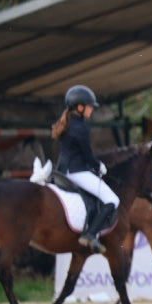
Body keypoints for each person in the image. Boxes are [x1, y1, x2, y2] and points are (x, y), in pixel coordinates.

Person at [51, 85, 119, 254]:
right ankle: (90, 234)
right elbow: (87, 156)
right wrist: (99, 166)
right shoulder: (81, 128)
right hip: (77, 172)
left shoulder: (67, 123)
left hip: (63, 170)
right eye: (89, 106)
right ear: (80, 107)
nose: (91, 110)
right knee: (112, 200)